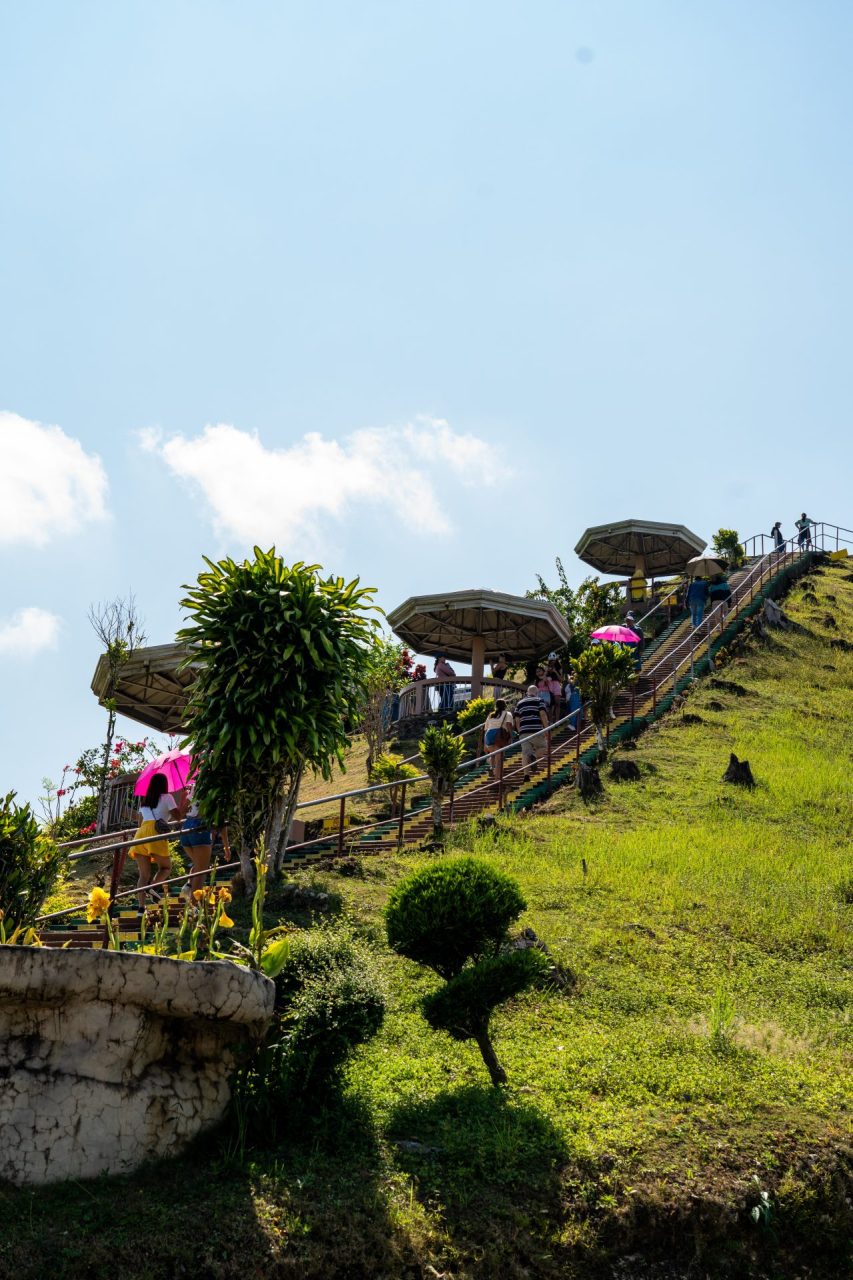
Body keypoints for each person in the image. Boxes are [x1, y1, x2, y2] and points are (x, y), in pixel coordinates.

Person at [133, 773, 180, 908]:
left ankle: (141, 909)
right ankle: (152, 887)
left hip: (141, 833)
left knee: (143, 875)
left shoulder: (145, 801)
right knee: (165, 867)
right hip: (155, 833)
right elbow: (178, 817)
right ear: (164, 784)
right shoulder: (167, 797)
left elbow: (140, 823)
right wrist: (183, 802)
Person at [179, 785, 231, 897]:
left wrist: (184, 797)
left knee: (199, 866)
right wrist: (226, 847)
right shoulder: (215, 789)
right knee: (202, 871)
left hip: (186, 827)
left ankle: (189, 887)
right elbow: (221, 820)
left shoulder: (195, 788)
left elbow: (181, 812)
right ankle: (195, 905)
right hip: (200, 828)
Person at [514, 685, 549, 782]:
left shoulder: (519, 703)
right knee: (544, 747)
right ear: (536, 692)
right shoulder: (539, 700)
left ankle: (526, 776)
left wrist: (519, 731)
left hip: (523, 732)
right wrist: (547, 729)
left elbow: (517, 719)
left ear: (527, 693)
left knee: (525, 753)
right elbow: (542, 714)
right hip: (536, 730)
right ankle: (533, 756)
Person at [481, 698, 514, 778]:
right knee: (499, 758)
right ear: (505, 705)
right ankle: (498, 777)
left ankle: (492, 768)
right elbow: (508, 725)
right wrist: (511, 736)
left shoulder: (491, 715)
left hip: (488, 735)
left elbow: (486, 729)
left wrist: (485, 743)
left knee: (493, 754)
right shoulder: (507, 713)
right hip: (499, 735)